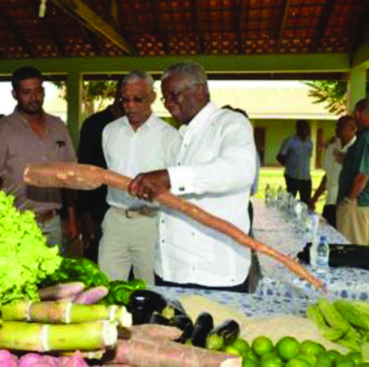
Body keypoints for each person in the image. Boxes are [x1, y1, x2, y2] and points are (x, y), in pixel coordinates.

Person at [128, 62, 256, 292]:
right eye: (165, 98)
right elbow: (179, 192)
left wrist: (169, 177)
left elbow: (239, 170)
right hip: (170, 269)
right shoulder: (180, 136)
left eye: (174, 95)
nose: (168, 104)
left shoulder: (230, 123)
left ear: (200, 90)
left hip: (212, 274)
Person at [0, 66, 78, 252]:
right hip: (17, 224)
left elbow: (70, 176)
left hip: (55, 222)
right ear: (15, 94)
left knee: (57, 280)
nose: (34, 97)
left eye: (38, 91)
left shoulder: (58, 126)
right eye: (27, 92)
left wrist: (72, 219)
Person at [98, 71, 179, 286]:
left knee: (152, 290)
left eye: (138, 99)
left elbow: (175, 184)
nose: (130, 105)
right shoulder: (109, 131)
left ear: (152, 97)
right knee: (107, 289)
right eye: (125, 99)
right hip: (115, 220)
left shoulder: (170, 136)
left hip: (151, 223)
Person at [77, 78, 124, 262]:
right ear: (116, 94)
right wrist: (85, 214)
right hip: (98, 209)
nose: (127, 101)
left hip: (129, 210)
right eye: (123, 95)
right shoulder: (94, 124)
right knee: (99, 262)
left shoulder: (140, 125)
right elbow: (83, 169)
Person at [336, 99, 369, 246]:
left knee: (353, 252)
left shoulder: (366, 138)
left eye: (354, 113)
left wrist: (348, 200)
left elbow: (362, 175)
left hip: (358, 203)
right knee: (366, 253)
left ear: (358, 114)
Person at [309, 116, 357, 228]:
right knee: (327, 238)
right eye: (337, 126)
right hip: (330, 202)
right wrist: (314, 198)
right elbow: (327, 175)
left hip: (346, 204)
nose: (337, 129)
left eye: (341, 127)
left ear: (353, 129)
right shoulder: (332, 147)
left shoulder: (357, 149)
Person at [277, 120, 313, 205]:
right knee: (290, 203)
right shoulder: (290, 141)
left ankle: (304, 218)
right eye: (302, 128)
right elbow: (279, 157)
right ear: (297, 129)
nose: (305, 130)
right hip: (292, 177)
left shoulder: (310, 142)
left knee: (306, 203)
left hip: (306, 178)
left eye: (307, 128)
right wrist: (289, 167)